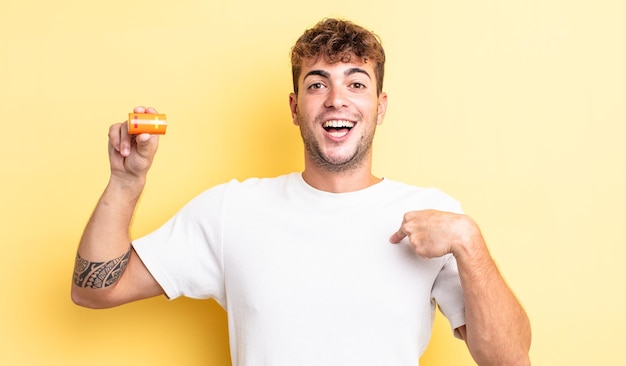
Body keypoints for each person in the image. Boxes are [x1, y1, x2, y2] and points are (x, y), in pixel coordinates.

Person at [72, 18, 531, 365]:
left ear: (380, 107)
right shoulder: (232, 211)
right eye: (317, 84)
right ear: (295, 107)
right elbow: (95, 289)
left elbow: (509, 359)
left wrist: (469, 241)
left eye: (356, 83)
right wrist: (127, 181)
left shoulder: (435, 217)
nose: (337, 99)